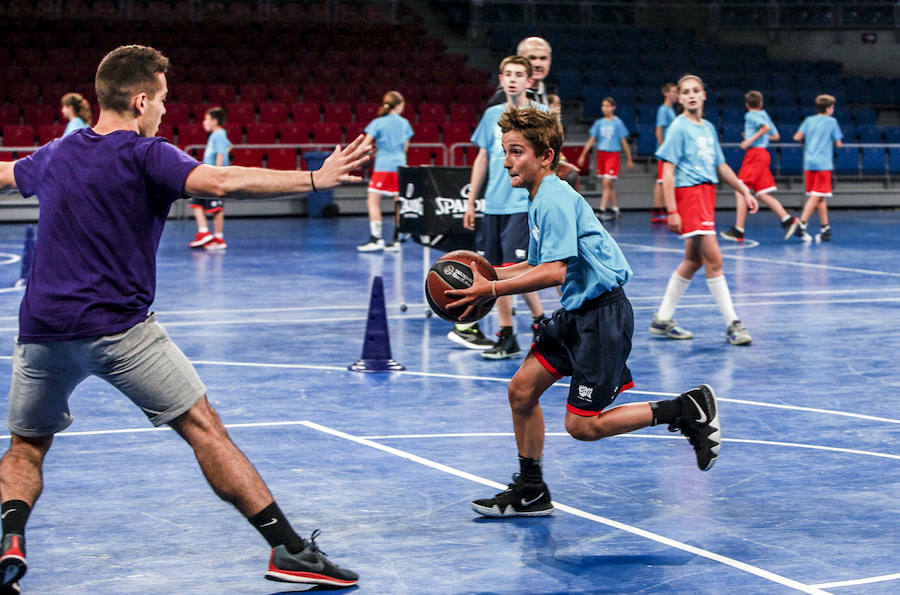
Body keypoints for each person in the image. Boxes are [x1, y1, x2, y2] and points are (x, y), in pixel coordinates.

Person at [0, 45, 370, 593]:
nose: (165, 110)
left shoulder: (56, 152)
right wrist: (315, 180)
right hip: (122, 332)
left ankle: (10, 540)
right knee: (203, 428)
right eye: (163, 100)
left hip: (43, 332)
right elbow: (221, 182)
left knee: (26, 447)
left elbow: (4, 173)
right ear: (141, 100)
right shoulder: (146, 153)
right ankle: (289, 550)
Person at [444, 107, 722, 518]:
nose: (506, 162)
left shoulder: (554, 199)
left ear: (545, 156)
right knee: (521, 392)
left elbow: (554, 272)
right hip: (576, 315)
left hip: (602, 319)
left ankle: (683, 409)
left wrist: (492, 288)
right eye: (505, 151)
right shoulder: (539, 195)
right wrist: (485, 274)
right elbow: (536, 263)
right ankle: (531, 490)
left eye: (516, 152)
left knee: (582, 426)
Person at [651, 74, 759, 346]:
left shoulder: (708, 128)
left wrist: (744, 190)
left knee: (693, 261)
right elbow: (668, 170)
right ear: (679, 97)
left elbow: (720, 166)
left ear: (703, 95)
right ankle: (733, 324)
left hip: (706, 195)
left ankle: (662, 319)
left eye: (695, 90)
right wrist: (672, 210)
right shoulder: (678, 127)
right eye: (686, 91)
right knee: (715, 260)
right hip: (690, 195)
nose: (691, 95)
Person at [454, 55, 548, 360]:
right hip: (493, 205)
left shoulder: (541, 115)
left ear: (529, 81)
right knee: (493, 271)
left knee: (510, 269)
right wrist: (471, 201)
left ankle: (533, 326)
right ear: (501, 79)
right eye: (508, 74)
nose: (512, 79)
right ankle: (515, 332)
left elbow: (550, 160)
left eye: (519, 74)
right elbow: (482, 158)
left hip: (523, 203)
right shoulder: (492, 114)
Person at [720, 91, 799, 243]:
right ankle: (788, 220)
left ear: (747, 105)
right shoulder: (764, 114)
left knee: (740, 189)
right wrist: (754, 137)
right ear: (761, 104)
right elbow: (775, 136)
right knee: (762, 194)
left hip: (755, 154)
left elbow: (765, 128)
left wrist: (748, 141)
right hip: (763, 154)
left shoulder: (750, 115)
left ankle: (738, 230)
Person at [357, 90, 413, 252]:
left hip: (383, 167)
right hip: (400, 167)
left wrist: (366, 156)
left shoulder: (378, 122)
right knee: (398, 204)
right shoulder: (405, 123)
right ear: (400, 105)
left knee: (372, 202)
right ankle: (396, 241)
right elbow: (405, 148)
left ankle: (376, 239)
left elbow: (365, 145)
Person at [792, 94, 844, 243]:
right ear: (827, 108)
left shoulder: (809, 120)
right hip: (823, 164)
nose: (833, 110)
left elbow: (797, 137)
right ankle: (801, 225)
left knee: (820, 197)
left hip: (809, 163)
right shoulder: (832, 122)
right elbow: (839, 143)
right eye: (832, 107)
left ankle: (825, 229)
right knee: (817, 196)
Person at [576, 97, 634, 221]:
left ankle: (601, 209)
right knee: (609, 185)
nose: (605, 108)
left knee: (606, 182)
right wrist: (583, 154)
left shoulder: (618, 122)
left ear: (613, 107)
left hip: (612, 154)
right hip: (601, 154)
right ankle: (615, 209)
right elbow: (591, 139)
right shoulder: (599, 123)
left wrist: (629, 158)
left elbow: (624, 141)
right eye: (603, 106)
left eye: (608, 106)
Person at [189, 107, 231, 250]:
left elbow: (221, 153)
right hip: (208, 176)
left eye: (206, 119)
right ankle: (204, 232)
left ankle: (218, 238)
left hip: (215, 177)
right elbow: (228, 147)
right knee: (196, 201)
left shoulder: (219, 134)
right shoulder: (217, 135)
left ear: (215, 121)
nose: (204, 122)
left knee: (217, 208)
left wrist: (218, 172)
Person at [486, 37, 553, 107]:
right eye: (532, 58)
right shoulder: (502, 99)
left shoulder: (552, 95)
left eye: (543, 58)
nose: (538, 64)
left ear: (550, 61)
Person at [650, 83, 678, 224]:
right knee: (661, 180)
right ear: (666, 93)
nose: (676, 94)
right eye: (673, 91)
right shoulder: (663, 110)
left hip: (670, 151)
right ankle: (658, 211)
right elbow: (659, 131)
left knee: (662, 180)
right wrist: (663, 150)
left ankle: (661, 210)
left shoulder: (671, 110)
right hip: (665, 152)